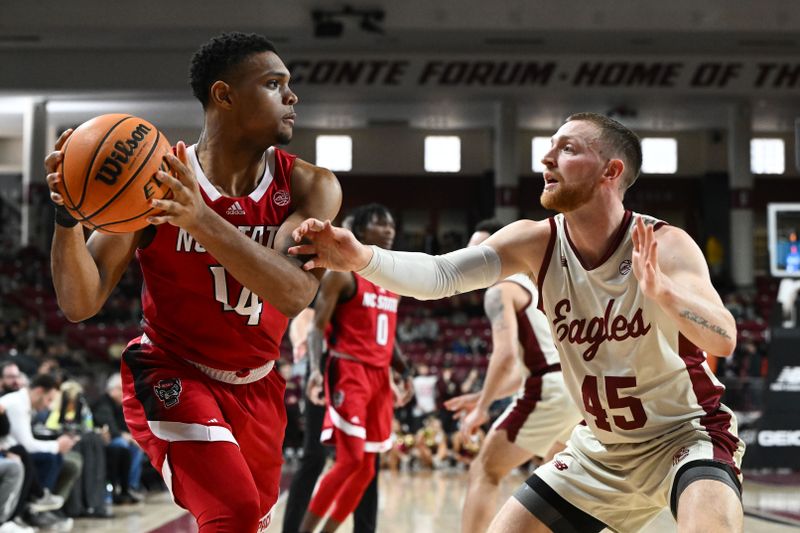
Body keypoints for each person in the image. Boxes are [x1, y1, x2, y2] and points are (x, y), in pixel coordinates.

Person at [289, 112, 745, 532]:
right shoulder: (534, 242)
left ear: (611, 171)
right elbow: (442, 274)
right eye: (550, 146)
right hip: (600, 450)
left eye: (568, 148)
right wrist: (362, 258)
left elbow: (722, 339)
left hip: (685, 437)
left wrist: (664, 292)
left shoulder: (664, 243)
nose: (547, 157)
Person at [45, 32, 341, 532]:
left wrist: (199, 218)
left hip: (258, 384)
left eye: (289, 85)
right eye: (274, 84)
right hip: (170, 373)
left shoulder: (311, 185)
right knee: (235, 515)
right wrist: (66, 218)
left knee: (247, 523)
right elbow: (81, 301)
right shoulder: (154, 181)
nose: (292, 97)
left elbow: (293, 293)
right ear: (223, 95)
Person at [444, 219, 582, 533]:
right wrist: (483, 397)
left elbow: (505, 357)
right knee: (554, 477)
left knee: (485, 470)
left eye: (481, 251)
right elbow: (525, 367)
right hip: (575, 388)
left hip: (550, 387)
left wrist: (481, 410)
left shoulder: (499, 290)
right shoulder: (538, 285)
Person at [299, 204, 413, 533]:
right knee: (349, 461)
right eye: (380, 223)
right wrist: (316, 370)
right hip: (348, 371)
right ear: (360, 230)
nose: (389, 230)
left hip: (379, 378)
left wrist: (403, 371)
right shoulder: (342, 274)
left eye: (392, 224)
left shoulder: (394, 279)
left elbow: (386, 337)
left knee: (365, 470)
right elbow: (317, 327)